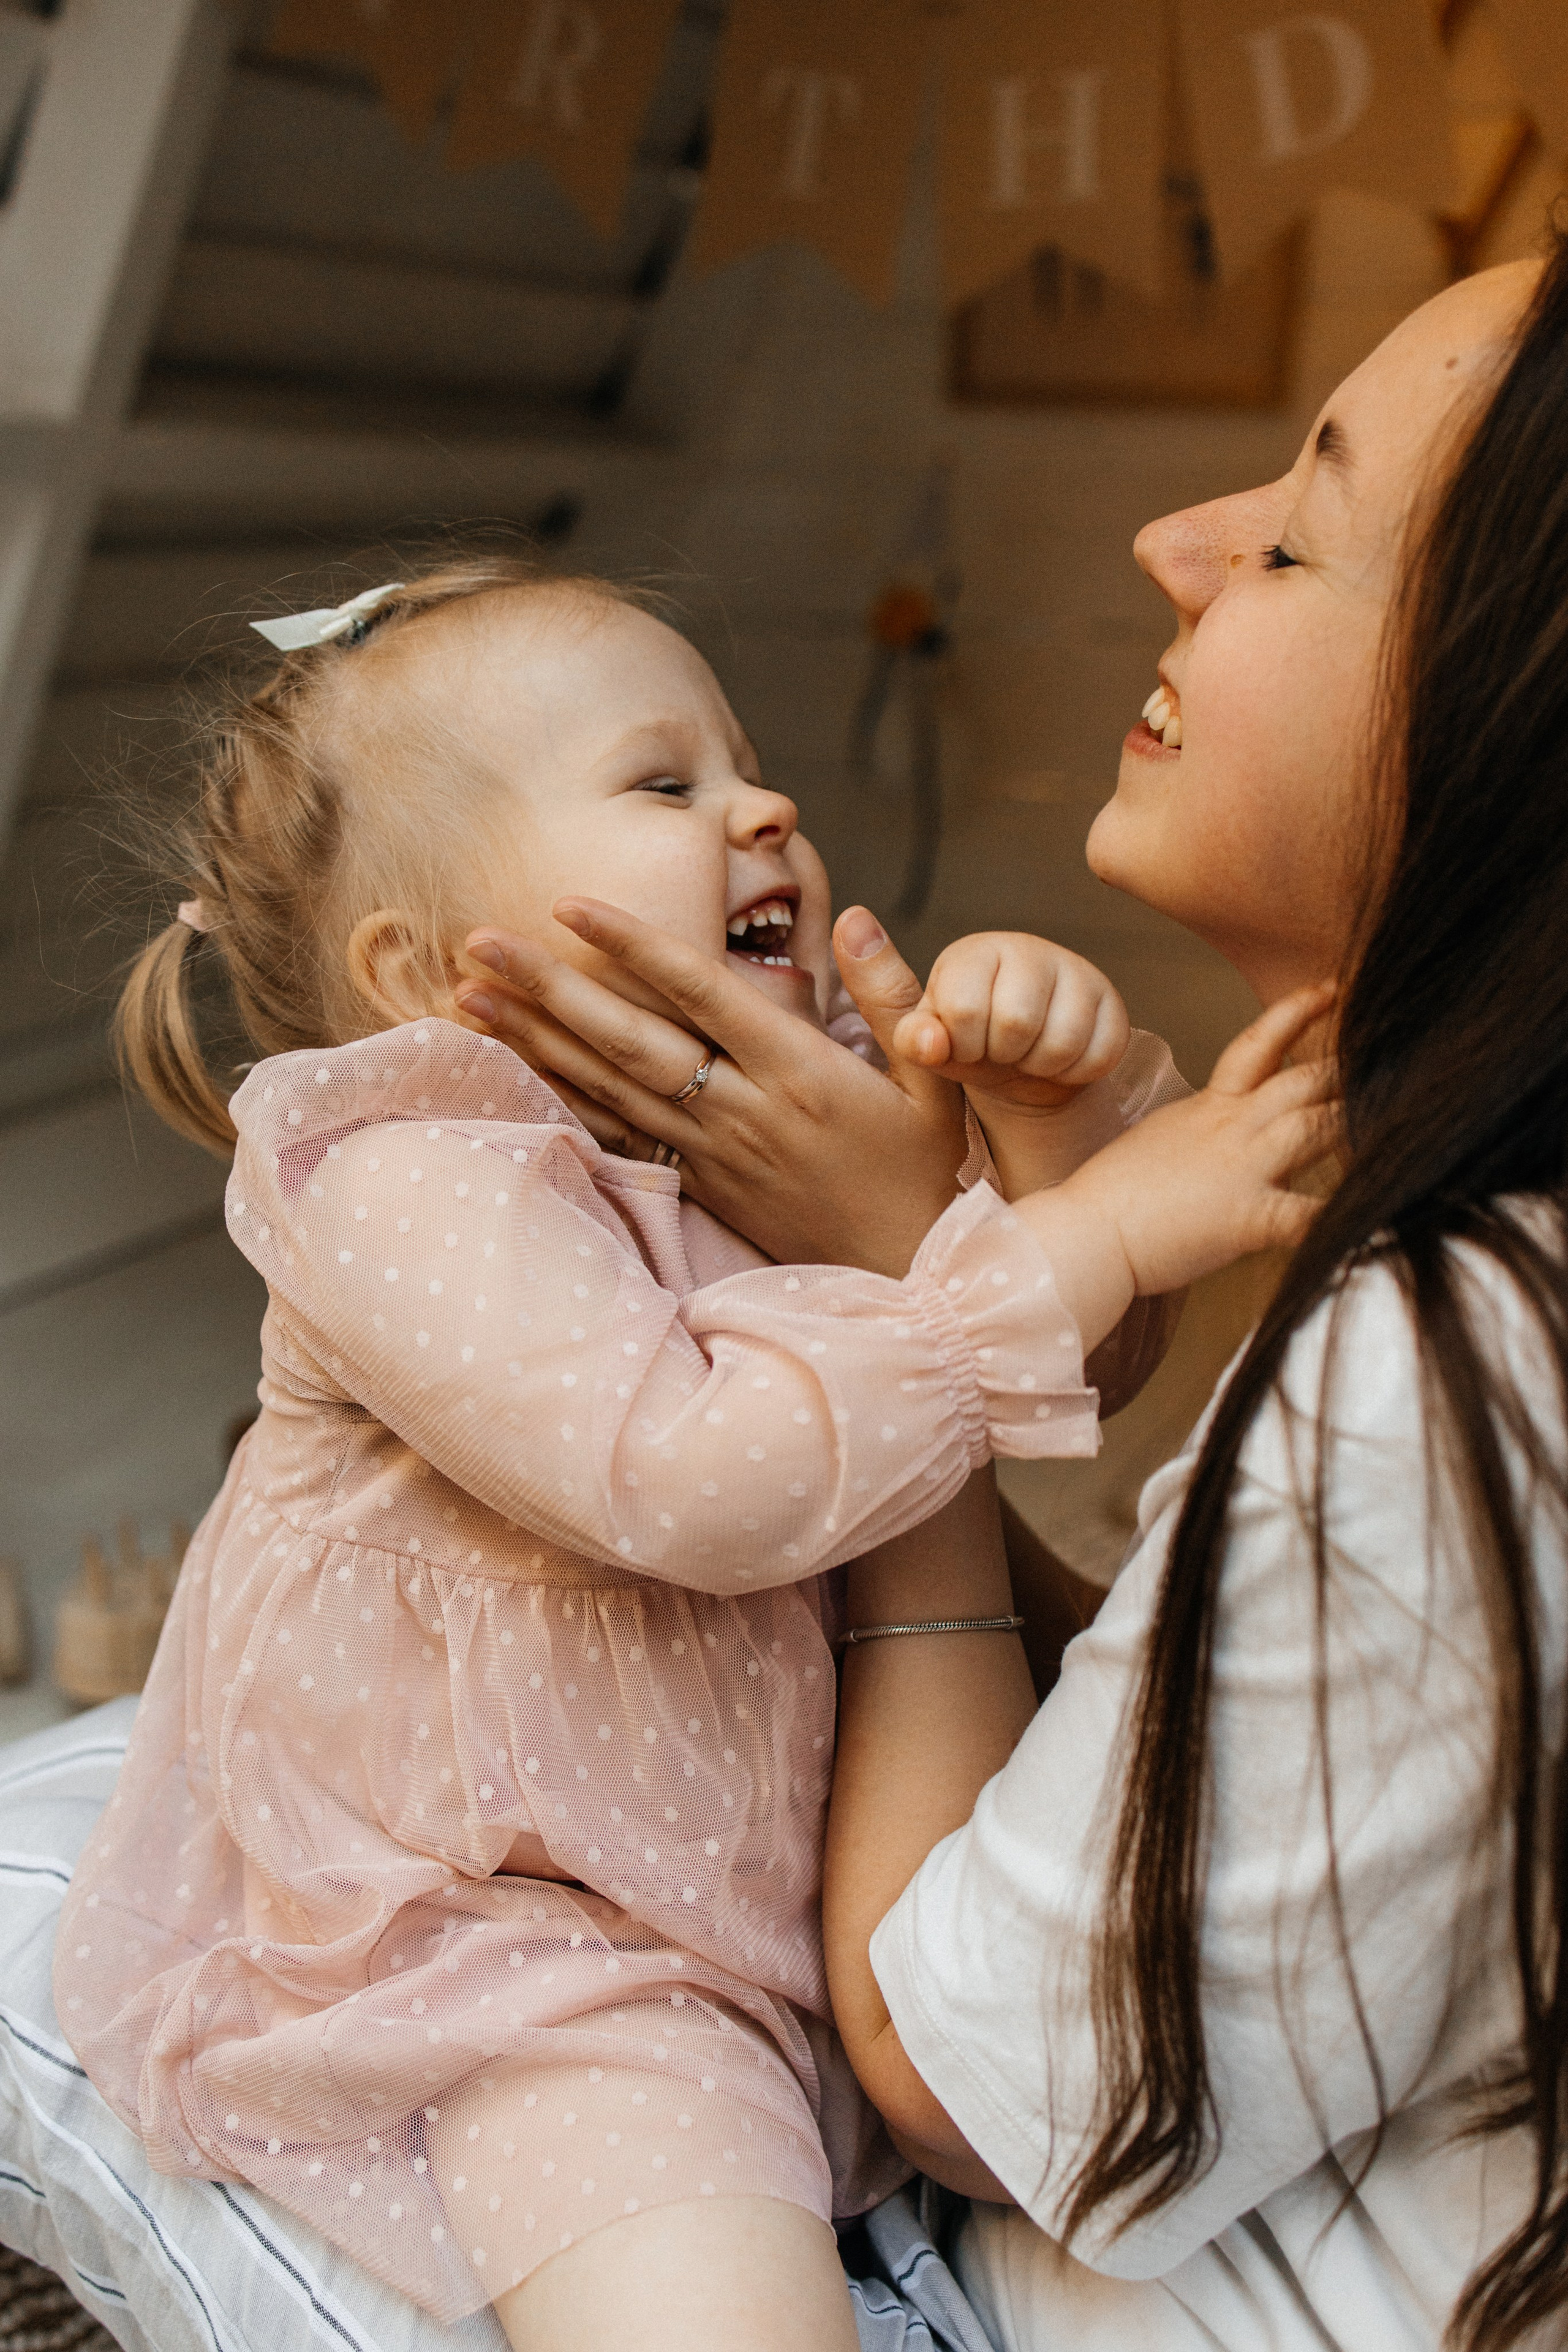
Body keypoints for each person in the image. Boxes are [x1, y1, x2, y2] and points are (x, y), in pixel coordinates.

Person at [459, 241, 1568, 2349]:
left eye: (1302, 536)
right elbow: (1198, 1741)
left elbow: (956, 2075)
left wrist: (917, 1318)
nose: (1177, 540)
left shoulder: (1464, 1355)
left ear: (1511, 720)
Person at [53, 559, 1335, 2351]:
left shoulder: (796, 1090)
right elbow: (697, 1480)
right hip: (525, 1937)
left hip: (765, 1877)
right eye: (666, 787)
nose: (767, 807)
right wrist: (1109, 1225)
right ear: (428, 974)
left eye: (746, 761)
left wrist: (1051, 1136)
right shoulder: (406, 1165)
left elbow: (1065, 1376)